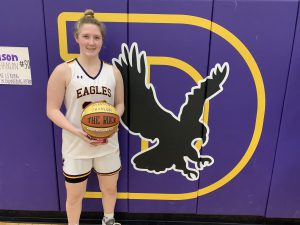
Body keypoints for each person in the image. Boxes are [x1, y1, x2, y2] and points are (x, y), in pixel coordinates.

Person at [47, 9, 124, 225]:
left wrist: (109, 124)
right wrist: (79, 132)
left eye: (96, 37)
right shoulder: (63, 71)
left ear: (102, 40)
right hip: (75, 143)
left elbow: (120, 104)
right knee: (74, 196)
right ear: (76, 38)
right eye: (86, 37)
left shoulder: (113, 72)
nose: (91, 42)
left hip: (107, 142)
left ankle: (109, 220)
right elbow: (52, 109)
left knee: (109, 188)